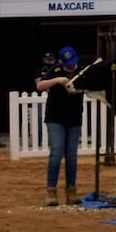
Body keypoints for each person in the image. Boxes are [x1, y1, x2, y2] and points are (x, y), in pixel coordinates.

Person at [35, 47, 89, 206]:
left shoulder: (82, 71)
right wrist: (57, 80)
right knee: (57, 153)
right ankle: (51, 190)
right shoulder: (55, 70)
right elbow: (40, 86)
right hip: (55, 117)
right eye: (69, 64)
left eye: (73, 63)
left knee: (72, 155)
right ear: (62, 62)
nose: (72, 66)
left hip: (74, 118)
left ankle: (71, 190)